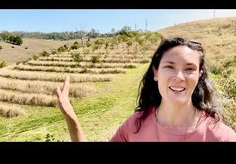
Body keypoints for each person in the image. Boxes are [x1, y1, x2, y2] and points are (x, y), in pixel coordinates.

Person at [56, 37, 236, 142]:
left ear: (199, 75)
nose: (179, 76)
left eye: (189, 68)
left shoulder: (221, 136)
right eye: (169, 66)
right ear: (155, 72)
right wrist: (71, 117)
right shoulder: (135, 125)